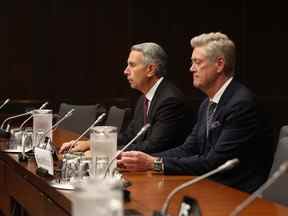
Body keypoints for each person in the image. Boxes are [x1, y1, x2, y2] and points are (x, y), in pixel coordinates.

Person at [117, 32, 274, 193]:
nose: (191, 68)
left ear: (219, 64)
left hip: (237, 193)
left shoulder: (241, 104)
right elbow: (189, 148)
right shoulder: (207, 103)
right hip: (210, 186)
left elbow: (215, 162)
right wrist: (145, 161)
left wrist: (154, 163)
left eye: (197, 62)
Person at [59, 42, 191, 154]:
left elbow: (153, 146)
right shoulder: (143, 99)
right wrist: (90, 143)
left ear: (150, 70)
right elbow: (129, 136)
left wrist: (102, 151)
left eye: (132, 65)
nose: (126, 71)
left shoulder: (170, 100)